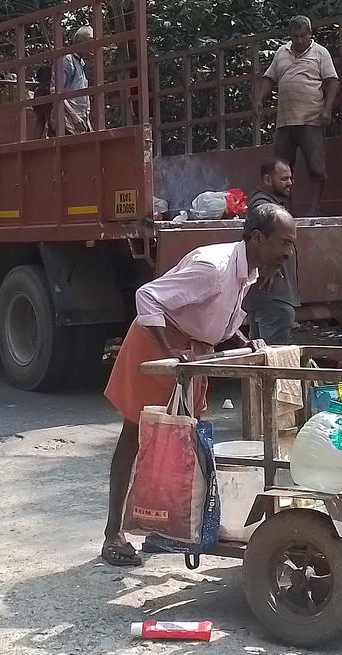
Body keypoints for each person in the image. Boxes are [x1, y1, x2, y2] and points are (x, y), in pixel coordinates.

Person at [100, 203, 297, 566]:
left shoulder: (248, 271)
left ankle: (162, 528)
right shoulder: (214, 268)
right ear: (256, 238)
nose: (288, 252)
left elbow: (215, 320)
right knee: (137, 435)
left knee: (178, 442)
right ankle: (113, 534)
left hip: (193, 352)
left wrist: (243, 342)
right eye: (283, 243)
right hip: (158, 344)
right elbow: (148, 297)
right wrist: (171, 349)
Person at [256, 15, 339, 216]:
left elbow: (332, 81)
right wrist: (259, 99)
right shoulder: (281, 53)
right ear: (290, 36)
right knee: (282, 167)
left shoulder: (320, 53)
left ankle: (314, 206)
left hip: (310, 119)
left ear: (310, 34)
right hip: (285, 121)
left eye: (303, 36)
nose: (299, 40)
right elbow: (270, 77)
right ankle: (285, 209)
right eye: (295, 36)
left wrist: (327, 109)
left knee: (315, 165)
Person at [243, 159, 299, 344]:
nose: (289, 183)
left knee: (260, 355)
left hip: (266, 297)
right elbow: (254, 234)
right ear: (267, 179)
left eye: (290, 178)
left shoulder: (268, 203)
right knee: (273, 358)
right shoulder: (264, 206)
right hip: (272, 295)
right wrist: (270, 266)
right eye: (284, 178)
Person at [52, 26, 93, 135]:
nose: (93, 45)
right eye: (90, 41)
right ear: (79, 42)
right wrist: (74, 116)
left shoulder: (81, 63)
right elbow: (55, 91)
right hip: (67, 122)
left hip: (79, 121)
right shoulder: (67, 60)